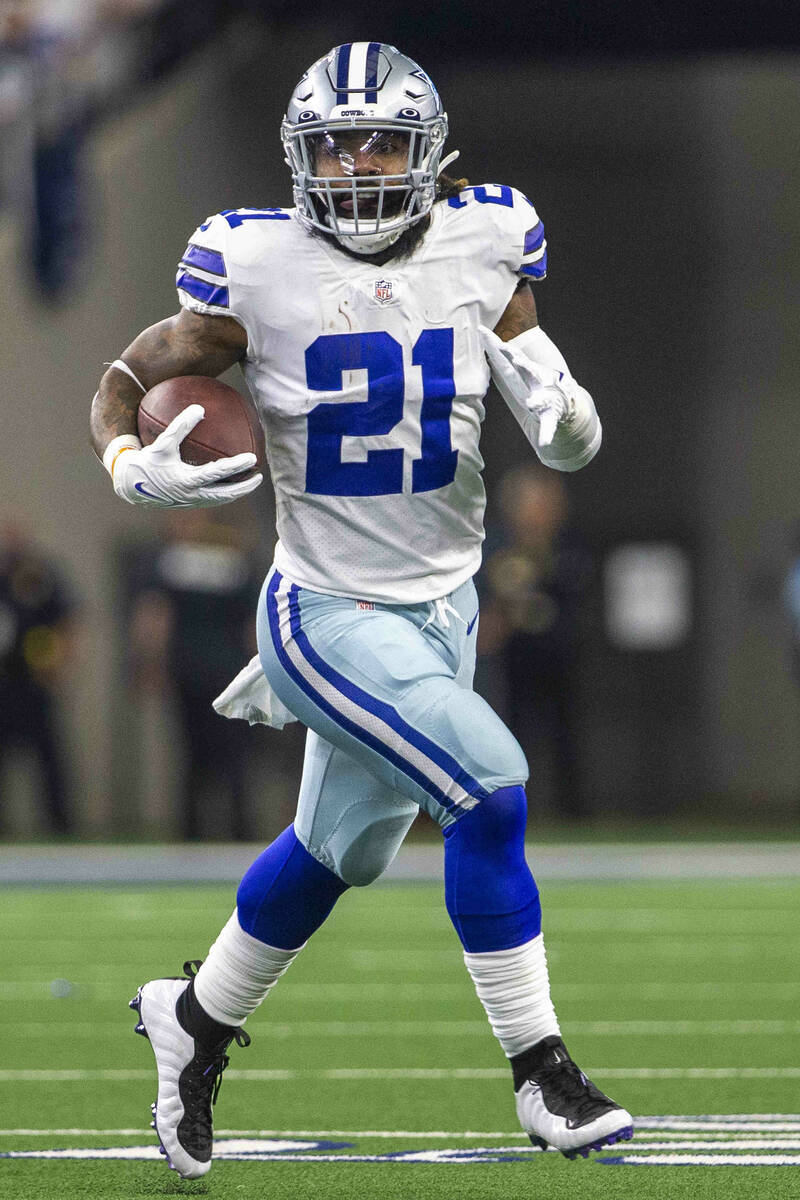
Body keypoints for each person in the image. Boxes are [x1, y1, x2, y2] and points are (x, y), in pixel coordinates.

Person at [89, 42, 631, 1179]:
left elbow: (537, 377)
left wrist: (567, 420)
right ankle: (541, 1072)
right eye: (333, 144)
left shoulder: (487, 238)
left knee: (338, 853)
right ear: (300, 157)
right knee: (488, 793)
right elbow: (127, 377)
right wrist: (128, 459)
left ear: (427, 151)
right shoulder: (255, 262)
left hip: (442, 602)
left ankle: (191, 1018)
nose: (355, 164)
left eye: (379, 139)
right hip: (325, 608)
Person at [126, 509, 265, 840]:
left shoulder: (169, 562)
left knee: (192, 756)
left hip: (188, 671)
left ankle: (192, 833)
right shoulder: (235, 561)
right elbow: (254, 625)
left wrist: (147, 665)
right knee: (234, 757)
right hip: (232, 675)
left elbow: (154, 619)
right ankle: (239, 833)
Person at [480, 465, 593, 819]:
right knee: (510, 737)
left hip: (560, 656)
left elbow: (578, 595)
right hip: (509, 660)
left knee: (565, 738)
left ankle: (572, 813)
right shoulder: (496, 546)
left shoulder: (568, 546)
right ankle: (511, 811)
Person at [0, 514, 79, 834]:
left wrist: (60, 663)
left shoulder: (40, 574)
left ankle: (60, 826)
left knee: (49, 759)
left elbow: (67, 620)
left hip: (33, 681)